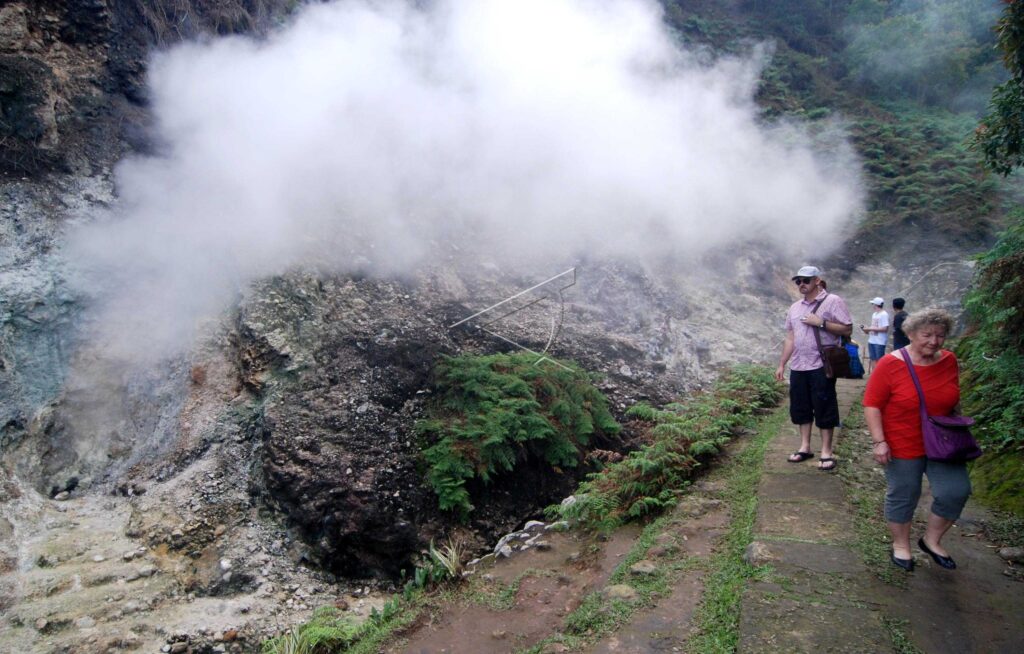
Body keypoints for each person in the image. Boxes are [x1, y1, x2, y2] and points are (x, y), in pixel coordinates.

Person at [863, 308, 969, 572]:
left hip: (943, 441)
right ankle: (901, 545)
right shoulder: (890, 364)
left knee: (955, 490)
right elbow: (872, 404)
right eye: (927, 335)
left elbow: (953, 398)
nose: (934, 341)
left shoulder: (949, 360)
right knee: (904, 493)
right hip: (901, 441)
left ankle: (931, 540)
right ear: (910, 334)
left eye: (940, 335)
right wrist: (879, 441)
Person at [775, 266, 853, 471]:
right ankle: (805, 447)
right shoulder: (795, 308)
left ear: (817, 280)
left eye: (806, 280)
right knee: (800, 406)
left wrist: (821, 323)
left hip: (820, 364)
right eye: (798, 281)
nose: (801, 284)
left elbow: (847, 328)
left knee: (824, 405)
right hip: (798, 365)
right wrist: (782, 363)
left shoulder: (832, 301)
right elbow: (790, 338)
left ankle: (826, 451)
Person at [861, 297, 889, 376]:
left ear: (876, 304)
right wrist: (867, 329)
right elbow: (874, 326)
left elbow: (885, 328)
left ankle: (880, 376)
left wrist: (870, 328)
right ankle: (874, 375)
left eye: (873, 304)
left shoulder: (884, 314)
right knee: (873, 358)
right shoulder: (874, 314)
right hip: (872, 339)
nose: (872, 306)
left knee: (879, 360)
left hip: (880, 341)